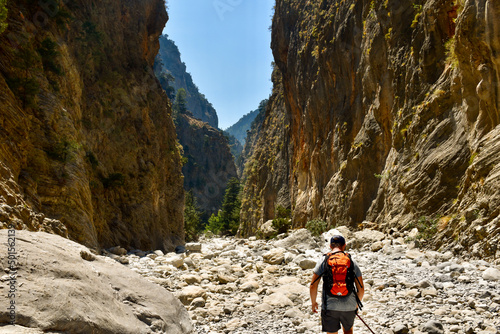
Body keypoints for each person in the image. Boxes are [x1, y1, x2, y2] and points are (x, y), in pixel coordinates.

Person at [309, 235, 364, 334]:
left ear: (330, 246)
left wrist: (313, 303)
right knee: (348, 331)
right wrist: (356, 305)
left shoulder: (324, 260)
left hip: (329, 306)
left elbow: (313, 285)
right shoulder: (351, 261)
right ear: (344, 246)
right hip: (349, 305)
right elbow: (361, 287)